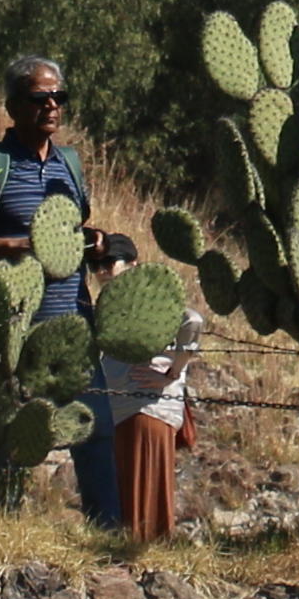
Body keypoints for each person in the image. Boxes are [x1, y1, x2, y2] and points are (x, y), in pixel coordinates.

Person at [0, 57, 94, 327]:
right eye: (39, 98)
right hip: (13, 328)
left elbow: (76, 233)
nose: (51, 105)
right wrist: (13, 247)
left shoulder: (69, 164)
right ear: (13, 107)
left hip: (75, 327)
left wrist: (97, 243)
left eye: (58, 97)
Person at [81, 230, 201, 541]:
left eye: (110, 263)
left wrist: (172, 372)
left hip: (147, 407)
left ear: (132, 263)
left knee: (141, 502)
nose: (102, 271)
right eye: (96, 266)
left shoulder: (153, 303)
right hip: (119, 410)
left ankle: (142, 555)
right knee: (126, 495)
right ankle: (137, 554)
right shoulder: (107, 311)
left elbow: (192, 321)